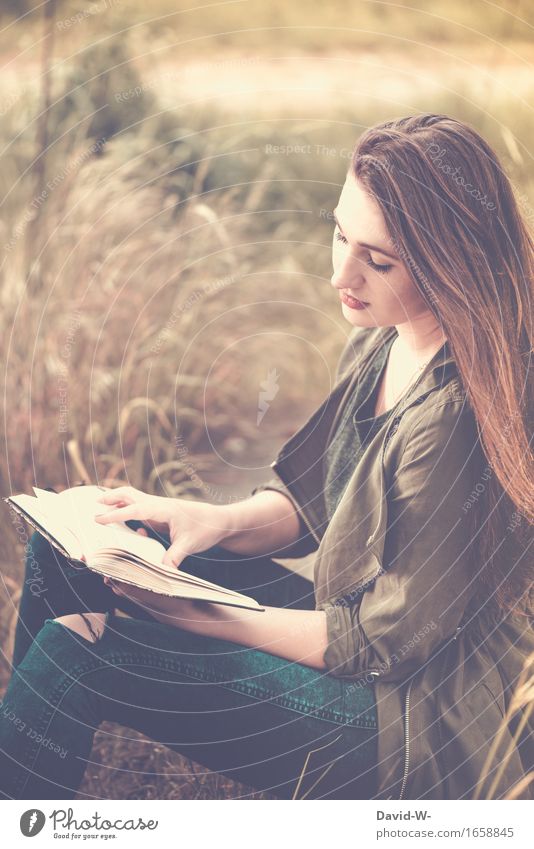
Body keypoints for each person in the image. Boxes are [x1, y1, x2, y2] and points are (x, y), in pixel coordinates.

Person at [0, 113, 532, 800]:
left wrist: (198, 614)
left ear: (447, 261)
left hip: (415, 718)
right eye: (341, 233)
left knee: (81, 657)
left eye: (378, 260)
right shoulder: (384, 336)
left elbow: (379, 644)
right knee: (66, 556)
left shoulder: (453, 413)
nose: (341, 272)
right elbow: (311, 498)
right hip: (356, 634)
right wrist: (205, 520)